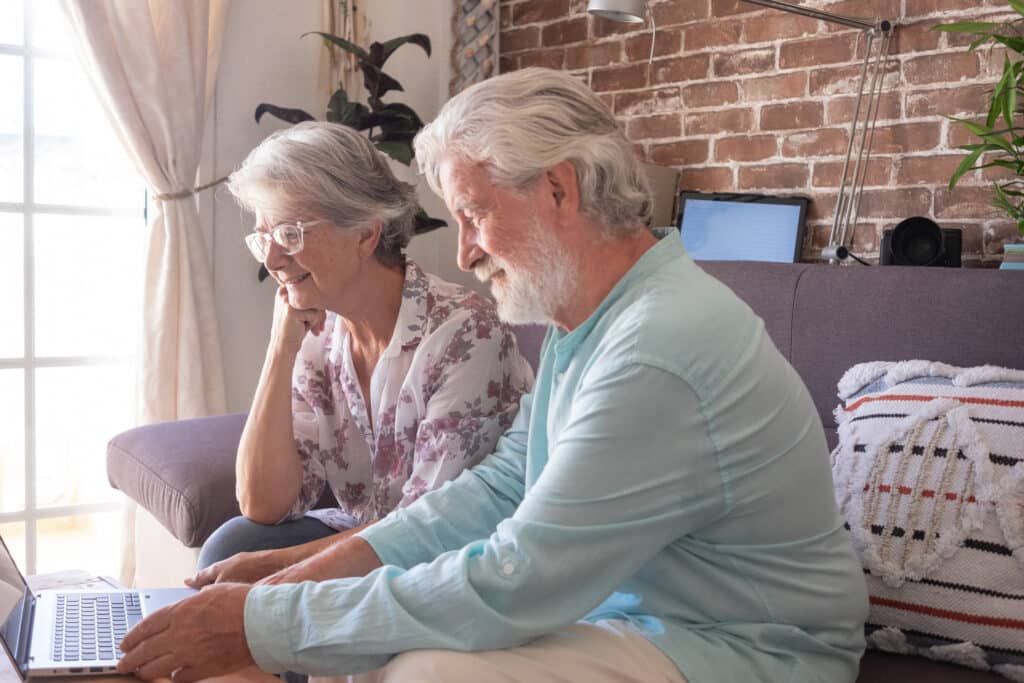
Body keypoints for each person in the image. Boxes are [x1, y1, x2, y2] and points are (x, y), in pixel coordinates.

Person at [118, 68, 869, 683]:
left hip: (754, 650)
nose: (467, 252)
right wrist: (293, 574)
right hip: (640, 615)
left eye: (475, 215)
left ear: (559, 190)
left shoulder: (656, 346)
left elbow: (521, 574)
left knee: (423, 675)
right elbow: (499, 488)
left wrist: (261, 622)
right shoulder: (595, 325)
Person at [192, 121, 534, 583]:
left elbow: (426, 531)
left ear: (365, 234)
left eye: (290, 234)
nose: (272, 259)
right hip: (371, 536)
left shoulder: (464, 334)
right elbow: (263, 503)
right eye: (263, 238)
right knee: (230, 545)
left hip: (453, 557)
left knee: (245, 566)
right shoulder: (321, 332)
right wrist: (280, 349)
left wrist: (273, 567)